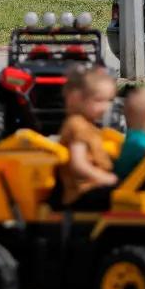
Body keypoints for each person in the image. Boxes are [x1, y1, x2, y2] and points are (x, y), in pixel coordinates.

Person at [56, 65, 118, 210]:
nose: (106, 107)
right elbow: (78, 164)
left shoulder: (87, 125)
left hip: (91, 187)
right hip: (82, 192)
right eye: (99, 100)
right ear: (76, 98)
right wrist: (104, 178)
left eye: (109, 100)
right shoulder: (77, 126)